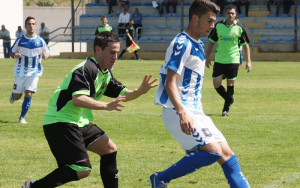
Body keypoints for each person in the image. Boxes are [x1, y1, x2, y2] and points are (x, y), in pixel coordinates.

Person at [22, 31, 158, 188]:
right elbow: (78, 99)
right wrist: (106, 106)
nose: (115, 56)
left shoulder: (105, 73)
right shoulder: (87, 69)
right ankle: (33, 187)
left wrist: (139, 91)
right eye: (111, 52)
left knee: (109, 149)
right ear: (98, 49)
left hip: (78, 121)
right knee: (82, 169)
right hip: (60, 122)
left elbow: (124, 94)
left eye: (116, 52)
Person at [150, 1, 250, 187]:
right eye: (209, 21)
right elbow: (170, 83)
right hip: (176, 110)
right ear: (194, 18)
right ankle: (160, 178)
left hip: (197, 112)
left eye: (214, 22)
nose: (213, 26)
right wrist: (182, 112)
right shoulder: (181, 43)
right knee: (213, 151)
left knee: (227, 155)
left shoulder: (197, 43)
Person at [205, 5, 251, 117]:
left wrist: (248, 61)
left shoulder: (239, 27)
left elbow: (246, 45)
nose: (230, 15)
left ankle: (225, 110)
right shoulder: (219, 25)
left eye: (233, 13)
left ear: (235, 15)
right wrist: (207, 57)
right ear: (225, 14)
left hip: (233, 59)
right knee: (216, 83)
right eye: (229, 13)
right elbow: (211, 41)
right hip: (220, 59)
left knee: (230, 84)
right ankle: (229, 98)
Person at [9, 16, 50, 124]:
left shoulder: (40, 41)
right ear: (25, 26)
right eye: (29, 24)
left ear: (35, 26)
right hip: (20, 71)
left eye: (33, 24)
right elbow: (11, 52)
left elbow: (47, 51)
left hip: (35, 71)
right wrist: (14, 55)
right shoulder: (20, 40)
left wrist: (46, 55)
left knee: (28, 93)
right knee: (17, 96)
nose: (31, 26)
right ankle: (13, 95)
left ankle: (22, 117)